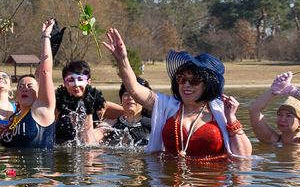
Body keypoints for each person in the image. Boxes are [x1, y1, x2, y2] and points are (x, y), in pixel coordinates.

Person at [103, 28, 252, 159]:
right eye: (182, 79)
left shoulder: (221, 111)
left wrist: (231, 119)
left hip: (209, 186)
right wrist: (122, 59)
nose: (186, 84)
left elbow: (244, 156)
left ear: (208, 85)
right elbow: (134, 89)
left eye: (194, 81)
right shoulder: (167, 106)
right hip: (171, 186)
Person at [0, 19, 60, 150]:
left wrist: (45, 37)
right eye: (20, 86)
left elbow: (45, 72)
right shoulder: (15, 119)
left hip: (39, 169)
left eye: (30, 87)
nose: (24, 89)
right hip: (16, 169)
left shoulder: (42, 109)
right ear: (16, 95)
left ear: (39, 93)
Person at [247, 71, 300, 146]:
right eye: (280, 114)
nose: (282, 119)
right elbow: (254, 110)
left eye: (289, 116)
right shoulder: (270, 139)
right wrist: (273, 91)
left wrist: (295, 92)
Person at [80, 76, 154, 147]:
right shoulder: (111, 124)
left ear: (144, 100)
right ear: (121, 99)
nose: (130, 98)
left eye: (135, 95)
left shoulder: (154, 124)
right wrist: (89, 110)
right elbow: (89, 142)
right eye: (126, 94)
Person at [53, 60, 110, 145]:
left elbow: (129, 114)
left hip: (91, 153)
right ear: (65, 83)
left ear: (88, 81)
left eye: (80, 79)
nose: (76, 85)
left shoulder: (101, 105)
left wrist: (104, 127)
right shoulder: (57, 105)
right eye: (71, 80)